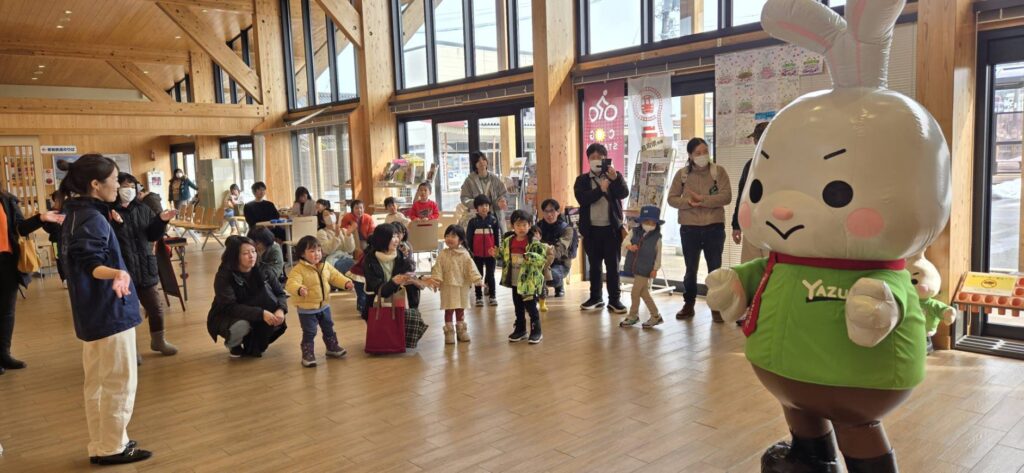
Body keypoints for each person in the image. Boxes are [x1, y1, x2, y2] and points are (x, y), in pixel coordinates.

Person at [59, 154, 151, 464]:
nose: (119, 185)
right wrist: (118, 273)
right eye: (114, 180)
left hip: (92, 314)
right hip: (109, 312)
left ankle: (104, 443)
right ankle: (113, 447)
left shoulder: (77, 213)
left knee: (98, 382)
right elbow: (92, 263)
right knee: (119, 382)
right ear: (96, 184)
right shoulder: (92, 218)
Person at [111, 173, 179, 356]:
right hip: (123, 270)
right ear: (116, 188)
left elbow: (152, 235)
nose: (129, 190)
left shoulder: (143, 208)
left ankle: (158, 341)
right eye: (125, 186)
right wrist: (117, 224)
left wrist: (161, 220)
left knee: (156, 308)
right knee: (128, 312)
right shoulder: (108, 211)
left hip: (145, 267)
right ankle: (131, 351)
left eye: (132, 186)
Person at [666, 137, 732, 322]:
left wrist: (702, 200)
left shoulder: (718, 172)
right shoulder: (682, 175)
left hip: (714, 228)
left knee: (715, 269)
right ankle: (689, 304)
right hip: (690, 228)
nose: (703, 155)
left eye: (705, 151)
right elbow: (671, 199)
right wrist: (688, 202)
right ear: (690, 155)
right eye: (698, 153)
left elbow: (726, 197)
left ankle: (716, 306)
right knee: (690, 269)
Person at [0, 190, 61, 376]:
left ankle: (4, 355)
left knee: (7, 312)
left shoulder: (6, 199)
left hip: (6, 261)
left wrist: (40, 218)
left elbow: (19, 228)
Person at [207, 235, 287, 358]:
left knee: (275, 320)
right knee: (241, 326)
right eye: (245, 253)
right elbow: (229, 307)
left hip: (255, 311)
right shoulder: (224, 276)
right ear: (235, 256)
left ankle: (251, 341)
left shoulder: (264, 270)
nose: (251, 256)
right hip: (227, 315)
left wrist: (280, 309)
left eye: (253, 251)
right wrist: (261, 313)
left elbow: (280, 293)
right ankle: (233, 344)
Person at [573, 143, 629, 314]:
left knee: (613, 267)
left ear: (606, 159)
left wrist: (615, 178)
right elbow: (583, 199)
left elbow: (623, 193)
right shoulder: (582, 180)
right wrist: (600, 190)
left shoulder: (613, 176)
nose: (596, 160)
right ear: (588, 159)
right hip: (591, 230)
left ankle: (615, 300)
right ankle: (596, 297)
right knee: (595, 267)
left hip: (611, 230)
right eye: (593, 157)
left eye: (600, 157)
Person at [284, 236, 353, 367]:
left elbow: (336, 276)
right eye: (312, 251)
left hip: (324, 306)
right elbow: (291, 284)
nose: (317, 254)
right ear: (302, 254)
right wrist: (299, 289)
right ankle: (308, 353)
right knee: (310, 332)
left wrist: (346, 282)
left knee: (328, 327)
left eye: (319, 250)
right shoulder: (298, 270)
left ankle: (332, 347)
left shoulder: (325, 266)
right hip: (307, 309)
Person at [494, 210, 548, 344]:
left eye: (524, 225)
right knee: (518, 305)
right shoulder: (508, 241)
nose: (521, 228)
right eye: (518, 225)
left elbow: (542, 259)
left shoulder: (534, 242)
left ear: (530, 225)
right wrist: (496, 254)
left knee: (530, 306)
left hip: (528, 281)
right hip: (514, 280)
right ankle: (520, 329)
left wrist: (530, 257)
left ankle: (536, 331)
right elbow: (504, 255)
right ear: (512, 226)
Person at [362, 224, 428, 320]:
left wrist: (420, 279)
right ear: (382, 239)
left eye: (397, 236)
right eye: (393, 237)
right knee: (382, 329)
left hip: (400, 306)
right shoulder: (369, 261)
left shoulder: (401, 255)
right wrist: (394, 282)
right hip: (377, 309)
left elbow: (410, 273)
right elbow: (380, 290)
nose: (397, 239)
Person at [430, 225, 482, 344]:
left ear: (461, 240)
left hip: (462, 286)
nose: (449, 238)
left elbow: (471, 268)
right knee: (448, 310)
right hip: (447, 286)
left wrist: (477, 279)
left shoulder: (465, 254)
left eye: (453, 236)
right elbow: (437, 268)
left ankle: (461, 330)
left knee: (460, 309)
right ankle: (449, 332)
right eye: (447, 236)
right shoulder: (443, 254)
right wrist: (436, 280)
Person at [619, 206, 665, 329]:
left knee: (635, 292)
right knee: (644, 293)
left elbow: (658, 255)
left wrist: (655, 269)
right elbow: (625, 241)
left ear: (656, 223)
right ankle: (656, 316)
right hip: (635, 267)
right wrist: (629, 246)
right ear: (641, 221)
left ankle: (633, 316)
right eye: (646, 221)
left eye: (652, 222)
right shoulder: (634, 232)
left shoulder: (657, 238)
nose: (649, 224)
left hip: (646, 269)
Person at [733, 122, 770, 263]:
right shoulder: (750, 164)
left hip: (763, 224)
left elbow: (741, 197)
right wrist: (736, 225)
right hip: (757, 224)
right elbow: (742, 196)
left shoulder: (752, 165)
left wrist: (736, 226)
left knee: (753, 267)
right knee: (763, 267)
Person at [466, 195, 501, 307]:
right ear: (476, 208)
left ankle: (492, 296)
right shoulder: (473, 222)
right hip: (477, 255)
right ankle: (478, 297)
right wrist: (470, 252)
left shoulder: (494, 220)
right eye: (481, 205)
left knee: (490, 275)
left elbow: (497, 237)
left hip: (491, 254)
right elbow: (468, 238)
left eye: (486, 205)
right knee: (478, 276)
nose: (484, 207)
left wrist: (497, 250)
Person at [538, 198, 575, 300]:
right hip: (540, 262)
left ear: (558, 212)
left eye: (552, 211)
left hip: (560, 263)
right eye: (546, 211)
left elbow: (560, 249)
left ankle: (558, 285)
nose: (549, 214)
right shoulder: (537, 227)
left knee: (552, 277)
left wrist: (546, 256)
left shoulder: (567, 229)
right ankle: (541, 288)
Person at [460, 151, 508, 229]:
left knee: (496, 235)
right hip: (477, 217)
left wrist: (501, 201)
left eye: (483, 159)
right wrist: (477, 204)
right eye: (478, 161)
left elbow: (503, 193)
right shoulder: (469, 180)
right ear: (474, 164)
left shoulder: (494, 178)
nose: (482, 162)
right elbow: (464, 198)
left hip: (494, 216)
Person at [43, 191, 68, 289]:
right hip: (55, 240)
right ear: (56, 200)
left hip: (68, 240)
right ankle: (64, 279)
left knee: (69, 258)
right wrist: (55, 228)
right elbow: (45, 227)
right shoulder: (50, 212)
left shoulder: (67, 210)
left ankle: (70, 278)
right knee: (59, 258)